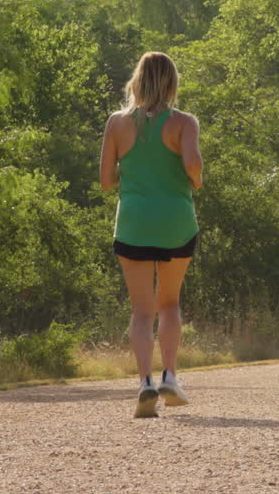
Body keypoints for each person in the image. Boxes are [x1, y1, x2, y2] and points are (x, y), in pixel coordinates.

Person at [100, 52, 203, 418]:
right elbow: (192, 162)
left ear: (137, 80)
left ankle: (145, 383)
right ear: (172, 82)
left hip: (134, 223)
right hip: (176, 222)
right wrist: (194, 180)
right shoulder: (184, 123)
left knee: (142, 310)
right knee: (169, 303)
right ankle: (170, 376)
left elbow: (106, 180)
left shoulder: (117, 123)